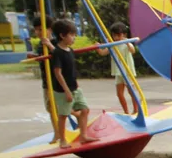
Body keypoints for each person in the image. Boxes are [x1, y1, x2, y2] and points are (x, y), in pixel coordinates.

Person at [50, 19, 97, 147]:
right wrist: (67, 91)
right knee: (63, 115)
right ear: (62, 35)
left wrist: (75, 86)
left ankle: (83, 135)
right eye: (72, 35)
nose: (74, 37)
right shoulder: (57, 53)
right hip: (63, 90)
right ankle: (63, 140)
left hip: (75, 87)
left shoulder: (70, 51)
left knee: (85, 109)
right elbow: (58, 73)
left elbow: (71, 70)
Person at [98, 22, 138, 115]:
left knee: (131, 91)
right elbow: (103, 53)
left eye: (118, 35)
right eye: (114, 35)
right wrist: (98, 47)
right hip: (118, 71)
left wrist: (127, 42)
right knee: (119, 94)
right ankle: (126, 111)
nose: (116, 37)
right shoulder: (112, 44)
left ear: (124, 34)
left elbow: (133, 50)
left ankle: (136, 109)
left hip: (127, 71)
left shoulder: (126, 42)